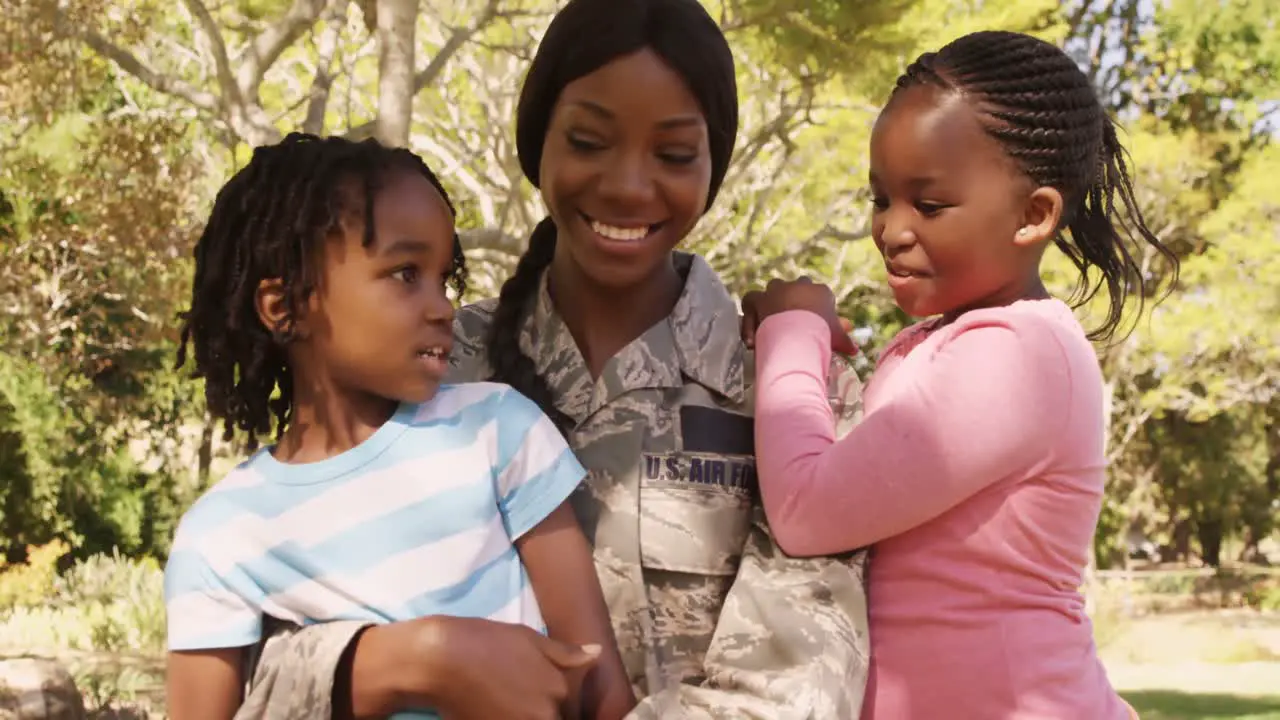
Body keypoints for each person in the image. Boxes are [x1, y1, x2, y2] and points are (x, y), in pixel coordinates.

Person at [229, 1, 871, 719]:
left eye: (673, 154)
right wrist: (394, 664)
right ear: (538, 143)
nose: (628, 185)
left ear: (714, 164)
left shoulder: (792, 398)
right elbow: (241, 654)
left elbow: (794, 689)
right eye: (590, 141)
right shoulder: (415, 371)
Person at [740, 30, 1178, 720]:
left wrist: (791, 330)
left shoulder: (1017, 356)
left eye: (930, 205)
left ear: (1034, 215)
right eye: (881, 199)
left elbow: (803, 511)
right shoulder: (943, 342)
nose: (891, 230)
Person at [164, 133, 633, 720]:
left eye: (444, 278)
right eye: (406, 273)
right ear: (284, 308)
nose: (441, 307)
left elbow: (602, 690)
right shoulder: (221, 537)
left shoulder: (498, 430)